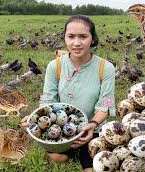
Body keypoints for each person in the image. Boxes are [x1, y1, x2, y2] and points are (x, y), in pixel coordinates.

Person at [21, 15, 115, 172]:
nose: (76, 43)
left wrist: (92, 125)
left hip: (92, 129)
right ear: (64, 38)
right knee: (58, 157)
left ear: (92, 39)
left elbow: (105, 104)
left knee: (93, 168)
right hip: (62, 125)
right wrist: (34, 118)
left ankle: (85, 152)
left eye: (83, 37)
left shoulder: (105, 68)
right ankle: (74, 152)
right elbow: (48, 99)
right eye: (71, 36)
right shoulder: (55, 66)